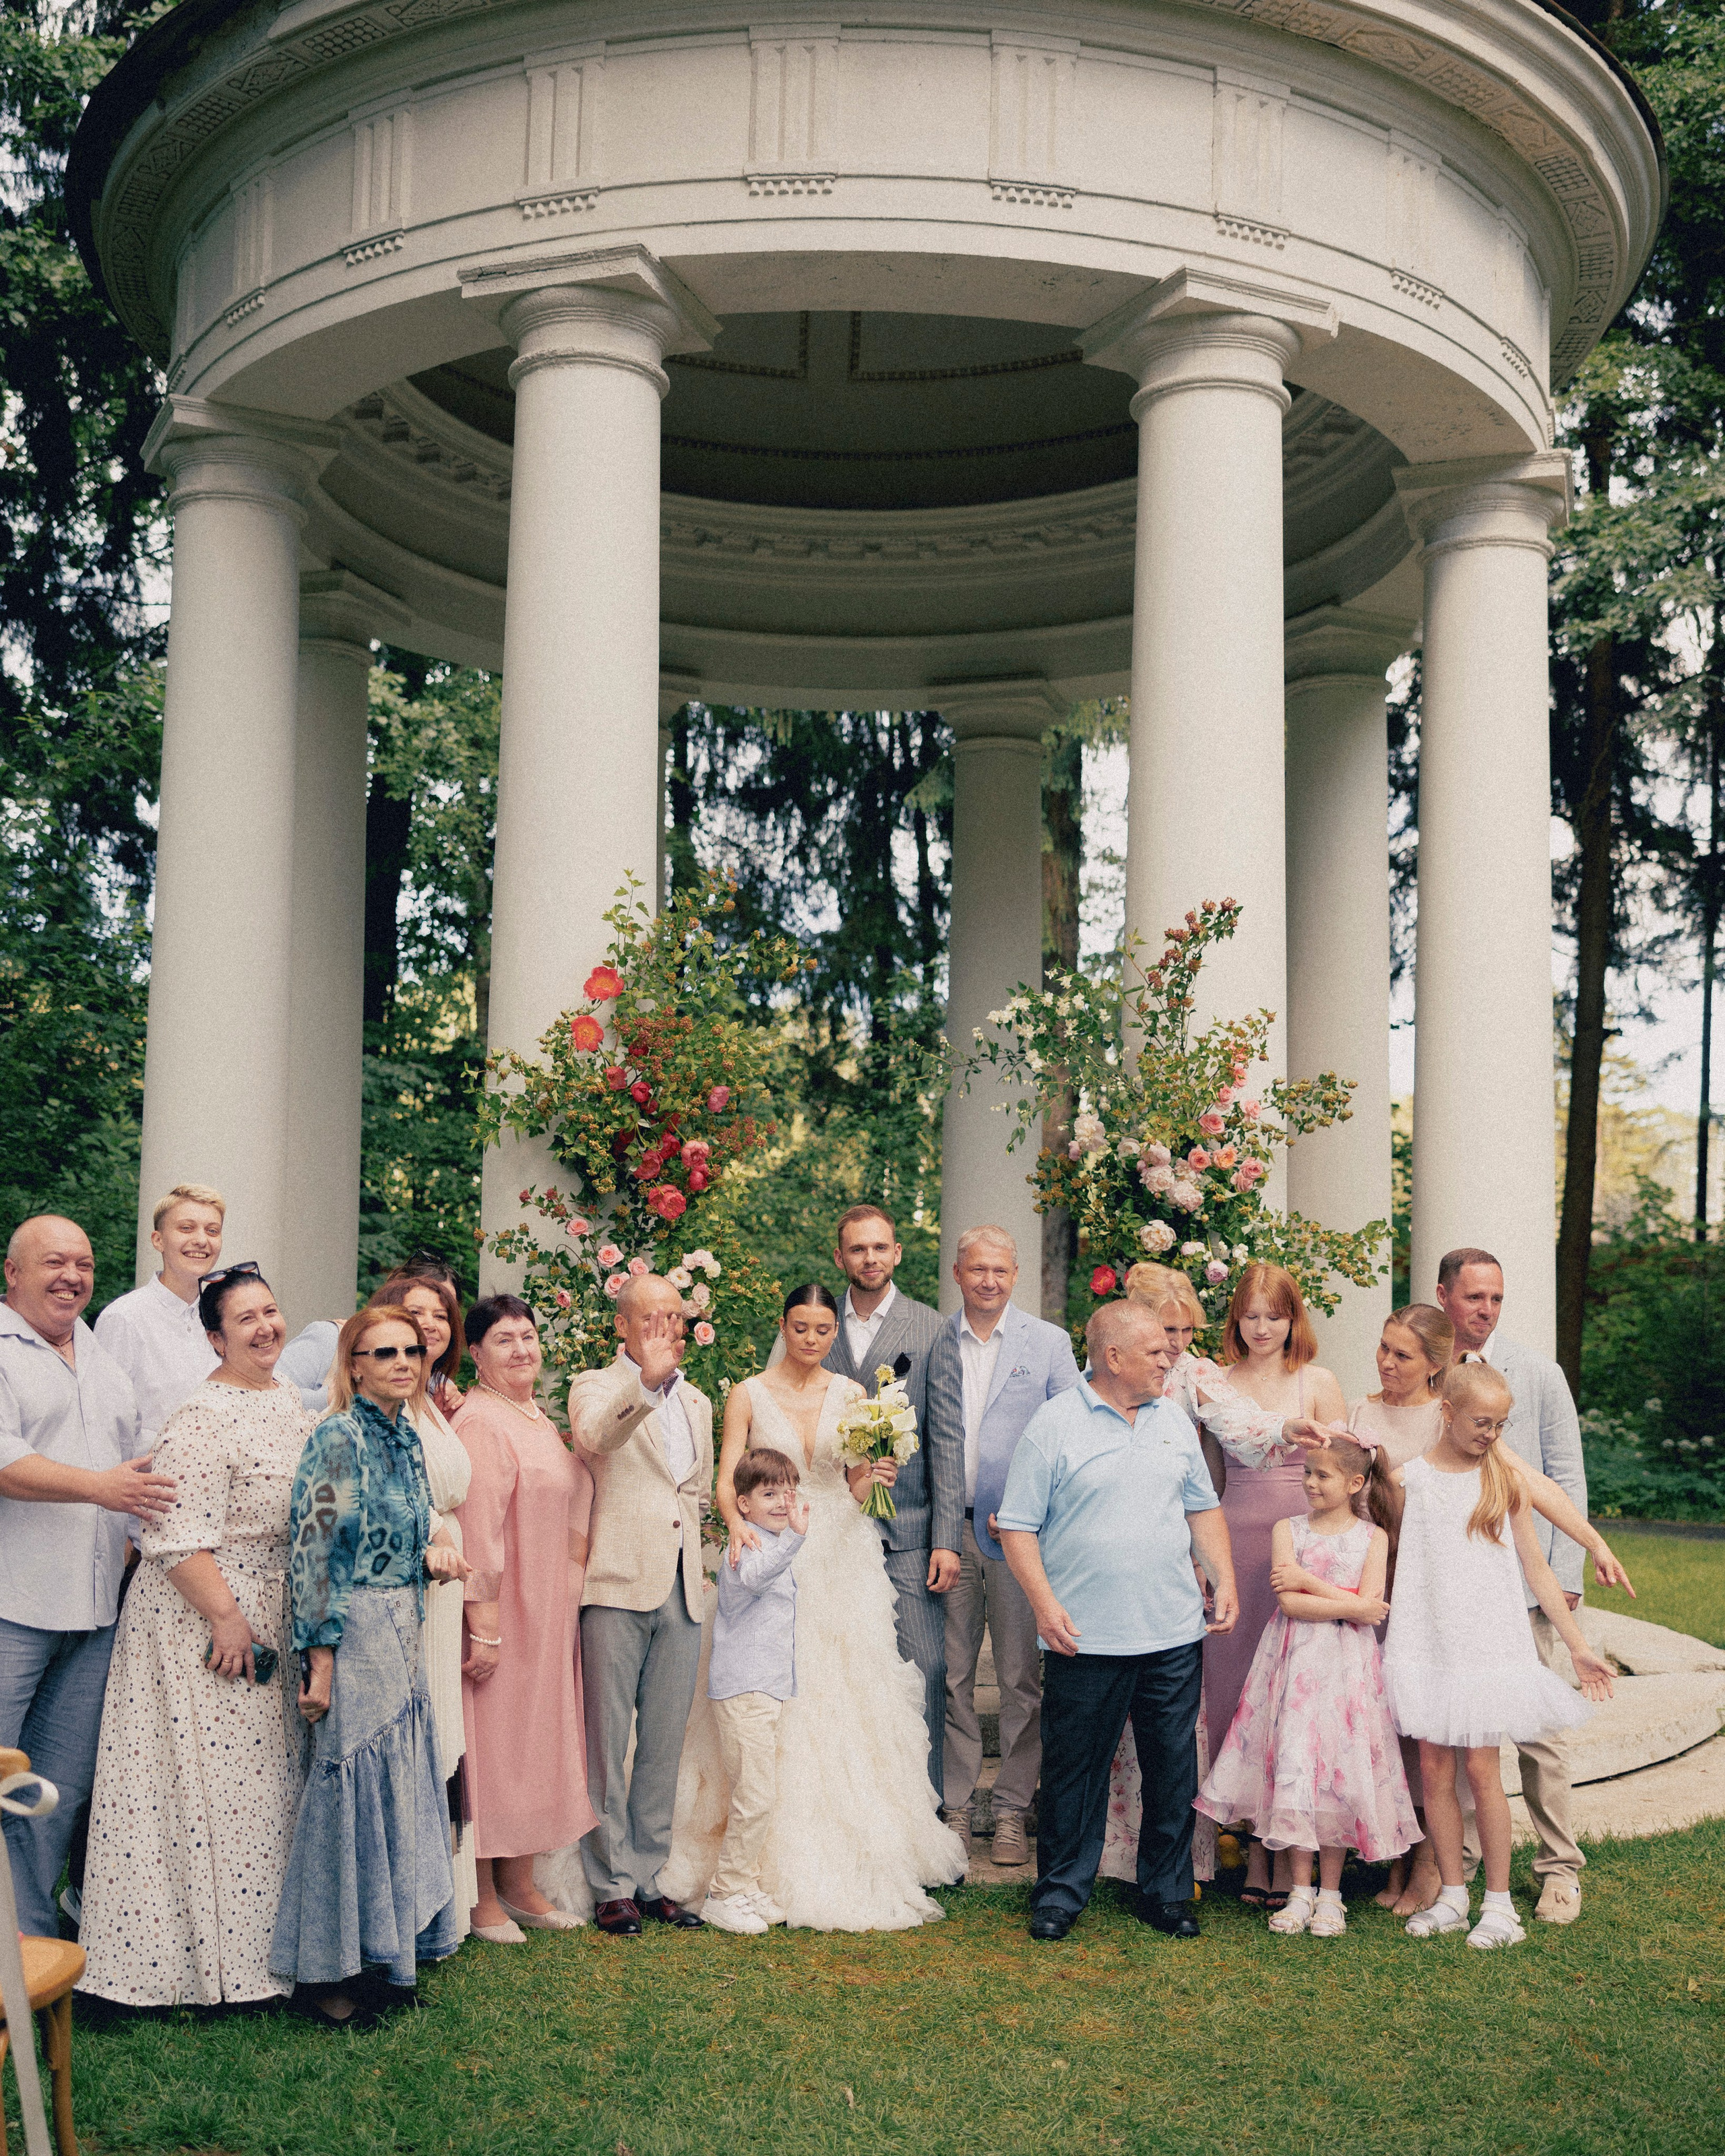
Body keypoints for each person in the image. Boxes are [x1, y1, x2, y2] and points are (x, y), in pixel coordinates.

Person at [666, 1283, 964, 1930]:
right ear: (784, 1326)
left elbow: (855, 1485)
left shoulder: (853, 1397)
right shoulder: (747, 1392)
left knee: (843, 1692)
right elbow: (726, 1475)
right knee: (770, 1695)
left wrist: (876, 1475)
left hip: (840, 1555)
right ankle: (747, 1863)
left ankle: (849, 1847)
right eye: (800, 1327)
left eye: (823, 1329)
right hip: (767, 1545)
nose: (811, 1339)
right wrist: (735, 1526)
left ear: (834, 1333)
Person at [77, 1265, 313, 2006]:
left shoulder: (295, 1405)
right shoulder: (202, 1416)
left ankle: (262, 1957)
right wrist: (227, 1617)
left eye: (270, 1310)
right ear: (215, 1337)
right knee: (206, 1792)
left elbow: (324, 1501)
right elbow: (174, 1535)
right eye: (244, 1318)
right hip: (201, 1616)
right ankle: (178, 1968)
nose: (265, 1326)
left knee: (261, 1791)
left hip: (271, 1601)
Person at [997, 1298, 1238, 1943]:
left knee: (1171, 1770)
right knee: (1075, 1771)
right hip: (1085, 1636)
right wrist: (1046, 1606)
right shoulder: (1053, 1425)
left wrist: (1225, 1575)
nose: (1171, 1359)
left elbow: (1202, 1508)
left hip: (1172, 1632)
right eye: (1158, 1351)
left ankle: (1165, 1892)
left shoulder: (1174, 1423)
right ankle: (1060, 1895)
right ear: (1113, 1357)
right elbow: (1018, 1526)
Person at [1383, 1360, 1629, 1948]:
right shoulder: (1407, 1480)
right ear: (1447, 1412)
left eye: (1501, 1425)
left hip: (1486, 1645)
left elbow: (1537, 1571)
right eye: (1482, 1422)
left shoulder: (1502, 1480)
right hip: (1426, 1642)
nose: (1492, 1435)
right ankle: (1451, 1895)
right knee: (1436, 1772)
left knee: (1482, 1772)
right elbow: (1391, 1559)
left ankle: (1499, 1907)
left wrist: (1577, 1647)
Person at [270, 1305, 468, 2026]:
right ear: (353, 1364)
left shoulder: (407, 1437)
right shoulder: (337, 1435)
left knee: (397, 1790)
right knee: (348, 1789)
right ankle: (328, 1977)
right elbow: (316, 1553)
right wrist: (318, 1660)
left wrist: (432, 1555)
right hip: (352, 1631)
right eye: (383, 1352)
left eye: (411, 1350)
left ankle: (388, 1954)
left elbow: (407, 1528)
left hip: (404, 1628)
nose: (402, 1362)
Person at [1104, 1265, 1327, 1891]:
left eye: (1184, 1329)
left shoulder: (1198, 1377)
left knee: (1180, 1712)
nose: (1176, 1342)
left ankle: (1184, 1861)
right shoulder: (1100, 1378)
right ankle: (1121, 1854)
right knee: (1121, 1718)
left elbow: (1244, 1422)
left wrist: (1287, 1429)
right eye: (1164, 1330)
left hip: (1176, 1552)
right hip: (1110, 1558)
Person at [0, 1215, 174, 1935]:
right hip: (12, 1606)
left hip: (95, 1614)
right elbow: (6, 1462)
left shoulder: (100, 1351)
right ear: (12, 1272)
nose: (72, 1274)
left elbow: (139, 1459)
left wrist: (130, 1533)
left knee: (53, 1794)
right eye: (54, 1261)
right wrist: (101, 1489)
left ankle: (29, 1951)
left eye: (84, 1262)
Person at [1195, 1433, 1418, 1939]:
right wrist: (1352, 1605)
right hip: (1295, 1665)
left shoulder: (1373, 1537)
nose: (1311, 1483)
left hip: (1349, 1671)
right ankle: (1299, 1891)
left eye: (1322, 1474)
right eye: (1307, 1473)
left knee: (1340, 1772)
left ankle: (1332, 1895)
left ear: (1355, 1483)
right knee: (1297, 1765)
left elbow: (1371, 1601)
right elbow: (1295, 1604)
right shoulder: (1287, 1530)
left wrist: (1317, 1585)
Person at [1435, 1246, 1592, 1926]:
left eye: (1495, 1297)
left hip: (1524, 1582)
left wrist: (1566, 1575)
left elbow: (1566, 1473)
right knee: (1464, 1726)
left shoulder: (1538, 1371)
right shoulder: (1429, 1368)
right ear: (1444, 1295)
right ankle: (1458, 1864)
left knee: (1538, 1730)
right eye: (1473, 1296)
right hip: (1454, 1583)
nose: (1486, 1309)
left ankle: (1559, 1868)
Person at [568, 1272, 715, 1936]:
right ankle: (609, 1882)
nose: (667, 1327)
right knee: (607, 1740)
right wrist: (646, 1384)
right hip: (617, 1581)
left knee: (661, 1744)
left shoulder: (703, 1402)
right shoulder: (595, 1385)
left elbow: (699, 1493)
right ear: (623, 1325)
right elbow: (597, 1438)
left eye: (675, 1317)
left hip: (683, 1587)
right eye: (652, 1317)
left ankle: (651, 1876)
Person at [929, 1226, 1079, 1868]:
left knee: (1021, 1677)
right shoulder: (935, 1340)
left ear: (1015, 1274)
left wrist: (1035, 1512)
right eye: (977, 1270)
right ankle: (958, 1807)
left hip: (1021, 1534)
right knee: (954, 1674)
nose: (989, 1280)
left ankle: (1015, 1808)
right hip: (950, 1532)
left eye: (1000, 1270)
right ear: (958, 1274)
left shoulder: (1048, 1344)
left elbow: (1073, 1430)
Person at [453, 1294, 597, 1941]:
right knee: (494, 1748)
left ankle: (521, 1885)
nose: (522, 1349)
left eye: (529, 1337)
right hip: (503, 1607)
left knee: (535, 1742)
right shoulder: (482, 1422)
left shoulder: (536, 1415)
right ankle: (481, 1895)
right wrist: (484, 1623)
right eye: (504, 1340)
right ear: (475, 1354)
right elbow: (478, 1532)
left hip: (547, 1608)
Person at [1207, 1261, 1347, 1910]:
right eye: (1251, 1315)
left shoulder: (1316, 1382)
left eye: (1276, 1314)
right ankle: (1252, 1844)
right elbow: (1205, 1480)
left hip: (1304, 1544)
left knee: (1296, 1691)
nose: (1263, 1328)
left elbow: (1348, 1476)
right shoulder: (1215, 1381)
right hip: (1235, 1538)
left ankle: (1294, 1839)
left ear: (1295, 1318)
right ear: (1236, 1317)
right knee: (1237, 1693)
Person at [821, 1205, 958, 1796]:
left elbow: (947, 1439)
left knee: (924, 1665)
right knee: (840, 1672)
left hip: (910, 1528)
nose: (870, 1259)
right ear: (840, 1257)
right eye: (858, 1249)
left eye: (880, 1248)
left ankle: (921, 1809)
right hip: (832, 1529)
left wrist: (946, 1540)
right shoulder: (816, 1326)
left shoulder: (931, 1327)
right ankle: (853, 1801)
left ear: (898, 1253)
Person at [371, 1271, 476, 1940]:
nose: (430, 1324)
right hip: (408, 1576)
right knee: (411, 1734)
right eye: (415, 1313)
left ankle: (436, 1908)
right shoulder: (386, 1397)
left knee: (440, 1736)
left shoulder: (434, 1398)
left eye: (440, 1315)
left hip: (445, 1577)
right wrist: (432, 1530)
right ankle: (400, 1911)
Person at [1347, 1300, 1453, 1915]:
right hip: (1371, 1590)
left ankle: (1431, 1864)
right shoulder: (1360, 1414)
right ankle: (1389, 1856)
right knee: (1380, 1721)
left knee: (1427, 1728)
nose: (1387, 1361)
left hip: (1428, 1588)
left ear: (1435, 1364)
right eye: (1384, 1347)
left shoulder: (1446, 1420)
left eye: (1403, 1355)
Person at [697, 1445, 809, 1935]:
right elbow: (758, 1580)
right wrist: (796, 1540)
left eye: (789, 1491)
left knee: (758, 1792)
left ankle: (746, 1884)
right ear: (743, 1503)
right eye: (769, 1494)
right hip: (743, 1690)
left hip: (765, 1688)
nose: (784, 1502)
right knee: (754, 1795)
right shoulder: (750, 1545)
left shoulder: (770, 1540)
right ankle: (723, 1894)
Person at [92, 1184, 225, 1442]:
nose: (201, 1240)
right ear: (158, 1240)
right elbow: (106, 1422)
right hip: (150, 1477)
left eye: (212, 1231)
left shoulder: (223, 1316)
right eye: (186, 1228)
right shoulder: (124, 1319)